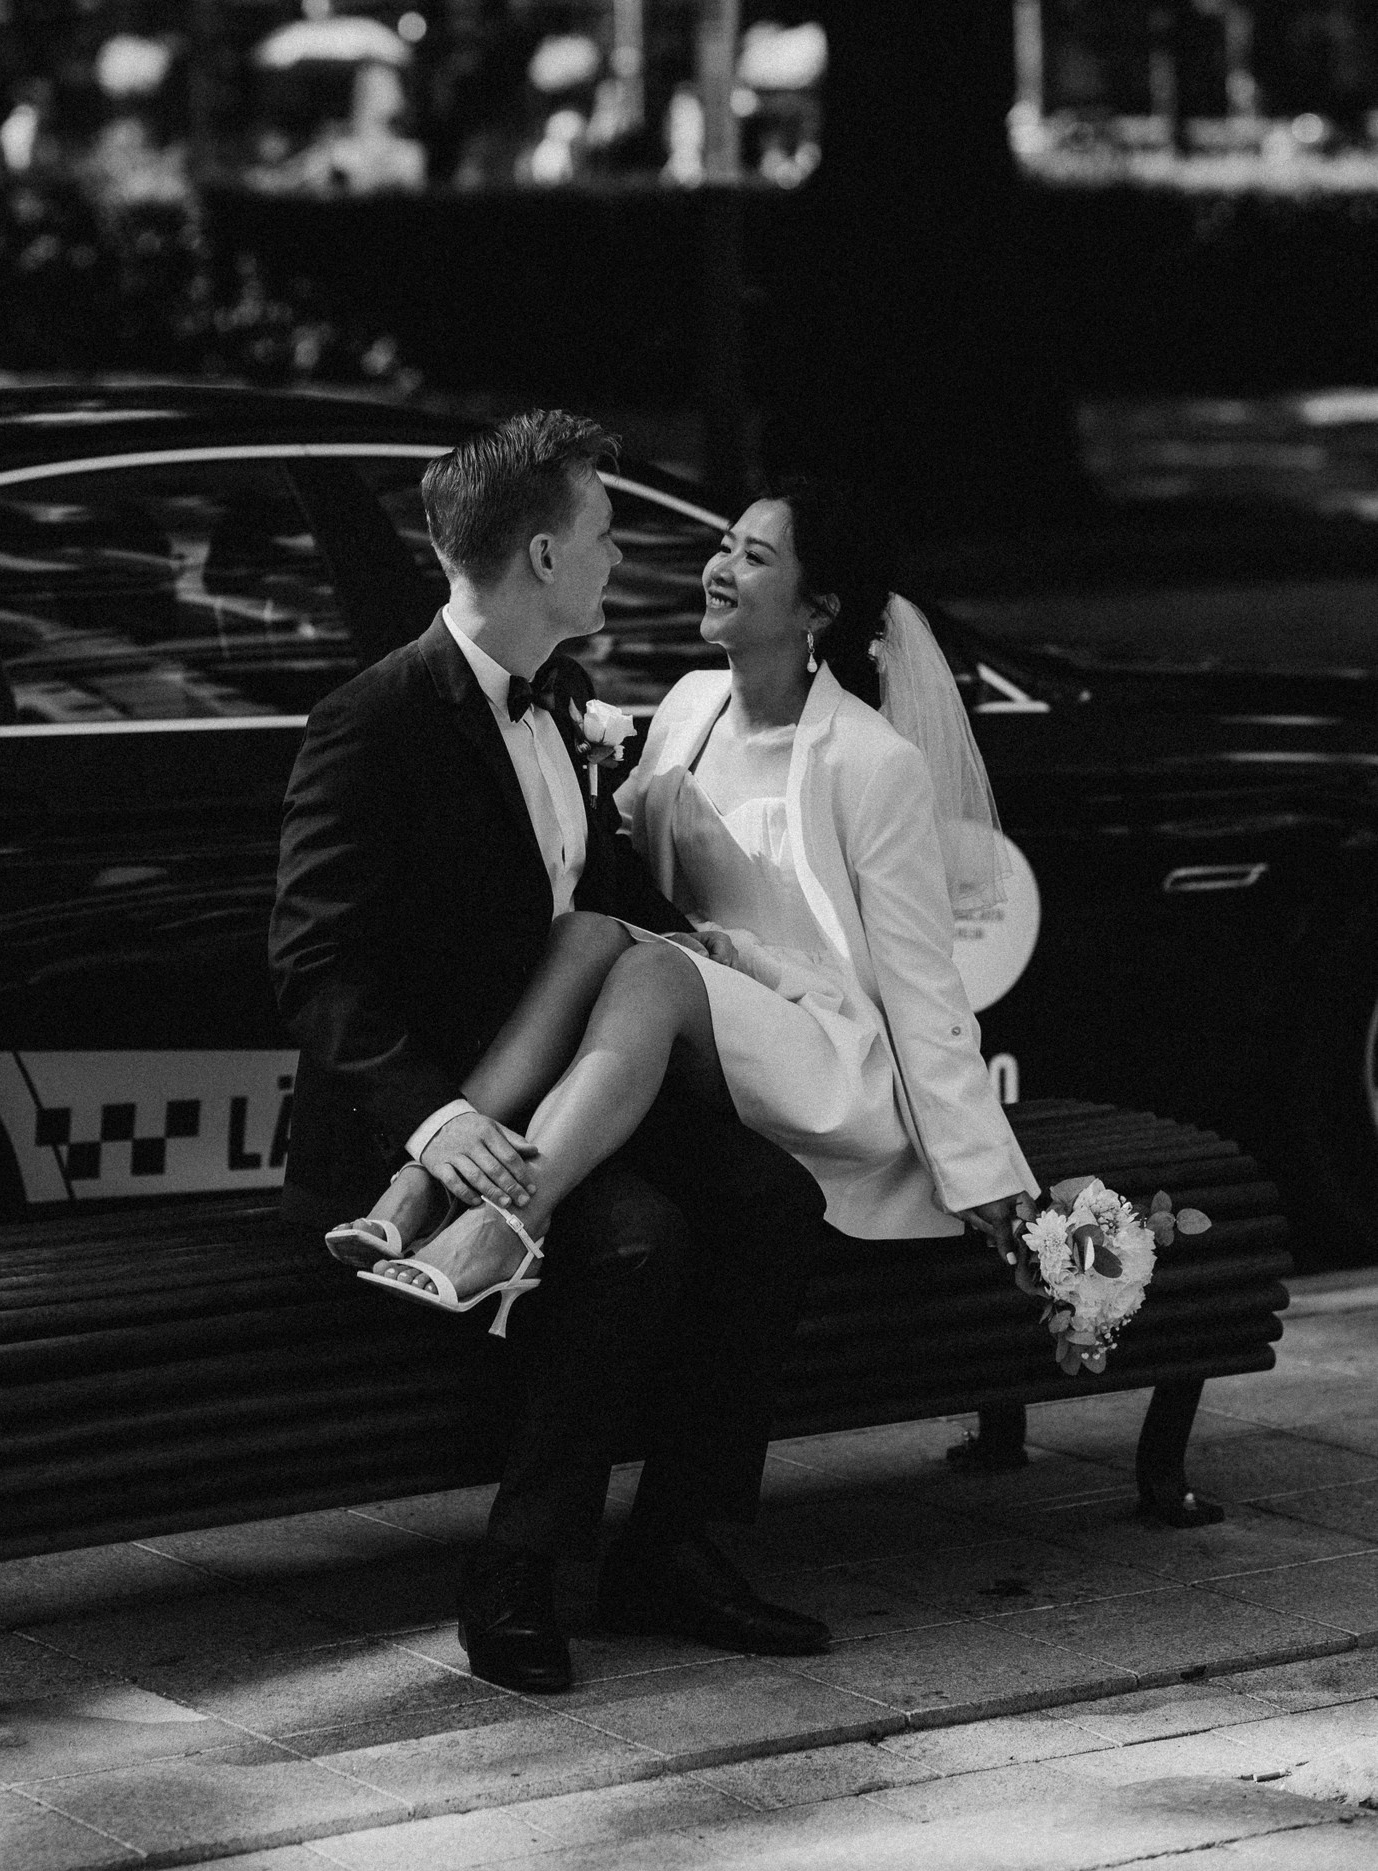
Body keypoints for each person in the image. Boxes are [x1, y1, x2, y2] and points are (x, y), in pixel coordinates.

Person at [270, 412, 833, 1695]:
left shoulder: (571, 707)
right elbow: (315, 966)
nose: (620, 554)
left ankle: (672, 1547)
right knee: (636, 1237)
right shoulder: (373, 721)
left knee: (773, 1200)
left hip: (583, 1088)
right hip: (424, 1129)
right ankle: (515, 1571)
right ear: (539, 555)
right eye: (604, 532)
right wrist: (435, 1122)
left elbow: (598, 899)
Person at [351, 472, 1039, 1383]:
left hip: (824, 1048)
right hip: (693, 1004)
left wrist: (983, 1169)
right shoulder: (686, 705)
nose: (719, 567)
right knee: (590, 934)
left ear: (817, 610)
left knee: (650, 972)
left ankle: (507, 1220)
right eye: (723, 544)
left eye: (754, 558)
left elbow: (923, 986)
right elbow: (623, 878)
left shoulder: (872, 762)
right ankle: (423, 1176)